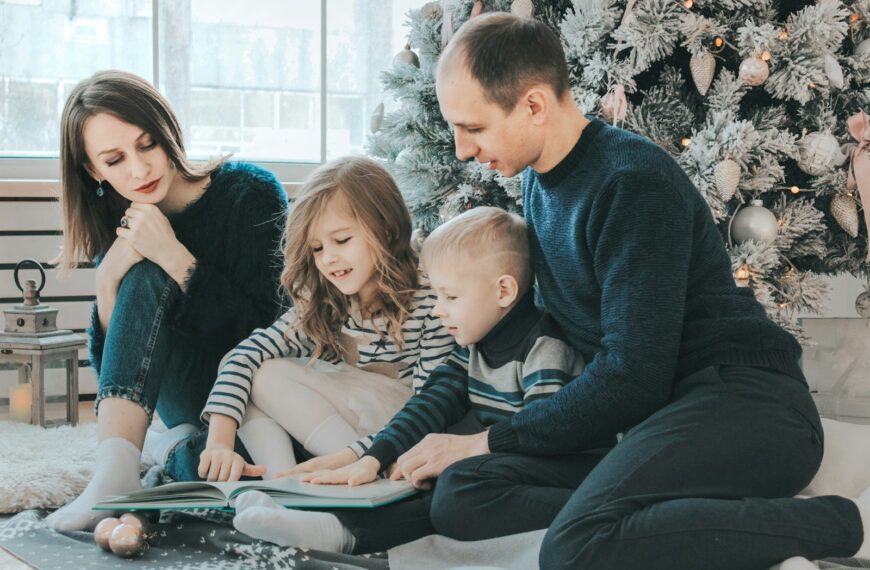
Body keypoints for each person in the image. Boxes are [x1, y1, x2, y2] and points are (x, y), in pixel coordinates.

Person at [413, 12, 867, 570]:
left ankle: (837, 523)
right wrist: (381, 451)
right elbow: (513, 337)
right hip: (650, 421)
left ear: (533, 105)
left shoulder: (631, 183)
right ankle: (651, 515)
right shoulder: (538, 182)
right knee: (461, 494)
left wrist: (490, 440)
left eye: (474, 128)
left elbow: (633, 374)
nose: (461, 149)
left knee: (575, 548)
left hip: (745, 403)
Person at [229, 206, 606, 555]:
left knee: (454, 486)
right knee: (435, 476)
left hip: (567, 470)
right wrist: (373, 457)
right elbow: (429, 404)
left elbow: (540, 436)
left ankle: (341, 533)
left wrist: (458, 460)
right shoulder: (474, 344)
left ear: (503, 291)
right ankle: (333, 528)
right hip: (507, 466)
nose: (439, 309)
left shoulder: (544, 349)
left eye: (450, 296)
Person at [46, 70, 288, 531]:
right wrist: (108, 279)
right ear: (94, 171)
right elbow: (117, 371)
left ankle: (165, 448)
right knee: (140, 273)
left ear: (168, 131)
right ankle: (114, 475)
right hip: (184, 395)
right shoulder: (123, 221)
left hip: (255, 393)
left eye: (147, 144)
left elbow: (269, 331)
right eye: (115, 160)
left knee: (239, 467)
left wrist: (177, 259)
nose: (138, 170)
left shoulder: (250, 193)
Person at [173, 155, 457, 488]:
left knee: (266, 376)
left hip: (401, 435)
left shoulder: (430, 299)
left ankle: (354, 476)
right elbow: (243, 355)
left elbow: (430, 407)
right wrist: (219, 442)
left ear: (388, 228)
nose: (328, 259)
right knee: (254, 371)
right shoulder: (326, 299)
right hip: (346, 433)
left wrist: (369, 454)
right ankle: (283, 484)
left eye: (342, 240)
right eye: (318, 248)